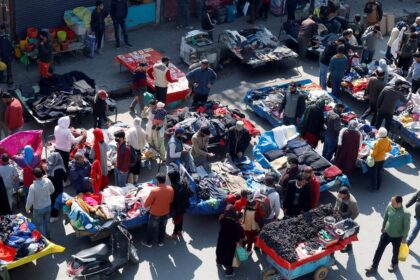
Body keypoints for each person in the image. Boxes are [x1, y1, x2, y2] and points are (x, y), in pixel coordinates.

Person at [366, 196, 411, 274]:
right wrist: (383, 226)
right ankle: (374, 266)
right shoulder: (390, 206)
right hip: (386, 233)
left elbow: (406, 227)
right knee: (379, 249)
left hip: (397, 237)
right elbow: (386, 217)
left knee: (395, 252)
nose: (391, 203)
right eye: (391, 202)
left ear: (399, 203)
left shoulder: (405, 213)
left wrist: (404, 239)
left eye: (393, 203)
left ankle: (394, 264)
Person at [142, 173, 174, 247]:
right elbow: (171, 201)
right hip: (166, 212)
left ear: (157, 181)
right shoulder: (170, 189)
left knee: (151, 228)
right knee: (163, 227)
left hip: (155, 214)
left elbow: (146, 204)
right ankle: (161, 242)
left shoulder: (154, 191)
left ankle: (148, 243)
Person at [216, 204, 244, 278]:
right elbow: (238, 235)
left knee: (220, 250)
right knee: (229, 256)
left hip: (221, 239)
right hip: (230, 242)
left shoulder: (222, 218)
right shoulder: (235, 224)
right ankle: (229, 272)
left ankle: (219, 261)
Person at [25, 168, 55, 238]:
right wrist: (47, 194)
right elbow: (53, 190)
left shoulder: (32, 187)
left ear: (34, 176)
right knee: (47, 222)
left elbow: (30, 200)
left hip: (38, 208)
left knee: (40, 224)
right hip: (48, 205)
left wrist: (27, 209)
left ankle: (44, 239)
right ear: (42, 174)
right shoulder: (48, 181)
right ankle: (48, 236)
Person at [334, 186, 359, 252]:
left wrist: (349, 221)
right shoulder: (339, 195)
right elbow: (336, 204)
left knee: (347, 234)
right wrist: (334, 211)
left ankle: (349, 246)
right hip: (339, 215)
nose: (338, 195)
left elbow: (356, 213)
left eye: (340, 194)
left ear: (345, 195)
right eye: (339, 194)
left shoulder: (352, 202)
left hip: (347, 218)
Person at [168, 169, 190, 240]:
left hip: (177, 207)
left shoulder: (173, 187)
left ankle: (175, 234)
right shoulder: (184, 182)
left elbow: (172, 199)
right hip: (184, 204)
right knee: (181, 218)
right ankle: (180, 231)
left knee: (177, 220)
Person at [46, 152, 66, 223]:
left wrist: (48, 177)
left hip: (56, 187)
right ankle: (56, 211)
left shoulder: (59, 169)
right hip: (56, 186)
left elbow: (53, 178)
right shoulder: (57, 165)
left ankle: (55, 216)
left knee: (55, 200)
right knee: (56, 200)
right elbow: (64, 178)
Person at [126, 117, 146, 184]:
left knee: (131, 166)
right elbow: (144, 143)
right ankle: (135, 180)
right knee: (137, 166)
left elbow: (127, 141)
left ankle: (130, 182)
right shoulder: (143, 131)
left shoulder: (130, 130)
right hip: (139, 152)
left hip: (132, 152)